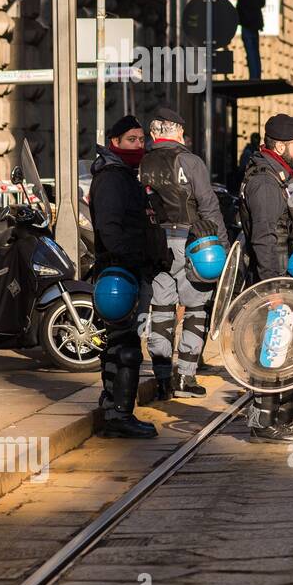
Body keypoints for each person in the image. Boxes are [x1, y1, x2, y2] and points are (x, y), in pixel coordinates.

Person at [139, 108, 228, 401]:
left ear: (154, 133)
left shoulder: (142, 162)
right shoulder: (190, 161)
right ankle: (186, 377)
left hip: (154, 242)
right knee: (195, 309)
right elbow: (209, 206)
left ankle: (162, 377)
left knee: (162, 309)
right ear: (177, 131)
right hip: (191, 243)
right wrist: (222, 247)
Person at [239, 114, 293, 442]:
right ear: (281, 145)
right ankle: (264, 423)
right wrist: (272, 285)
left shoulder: (290, 174)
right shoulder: (265, 182)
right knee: (271, 350)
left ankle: (285, 419)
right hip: (274, 278)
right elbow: (265, 237)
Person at [88, 116, 160, 439]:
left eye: (142, 139)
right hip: (117, 273)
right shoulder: (112, 179)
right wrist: (141, 253)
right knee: (126, 346)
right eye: (131, 139)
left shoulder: (126, 176)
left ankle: (112, 405)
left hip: (127, 270)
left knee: (119, 344)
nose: (139, 145)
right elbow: (111, 232)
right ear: (115, 142)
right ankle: (120, 414)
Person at [237, 0, 266, 80]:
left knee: (250, 50)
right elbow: (262, 4)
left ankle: (253, 76)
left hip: (246, 23)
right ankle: (256, 75)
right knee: (255, 50)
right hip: (256, 24)